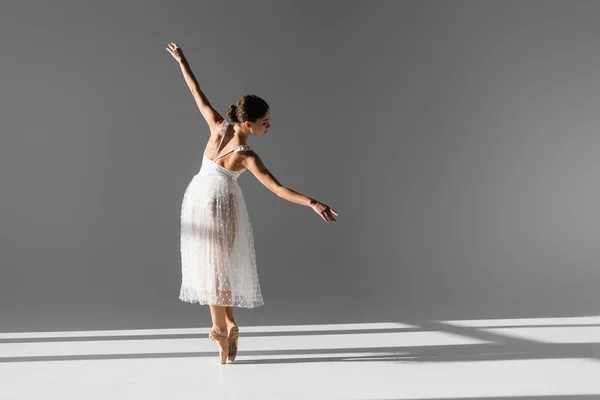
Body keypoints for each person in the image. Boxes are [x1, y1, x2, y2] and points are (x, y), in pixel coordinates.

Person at [166, 42, 339, 364]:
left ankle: (223, 326)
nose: (269, 126)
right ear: (249, 124)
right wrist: (312, 203)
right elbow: (276, 188)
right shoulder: (245, 155)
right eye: (266, 122)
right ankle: (223, 326)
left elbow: (195, 92)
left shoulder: (217, 127)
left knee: (211, 266)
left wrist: (181, 60)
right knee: (220, 265)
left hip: (197, 198)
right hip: (221, 201)